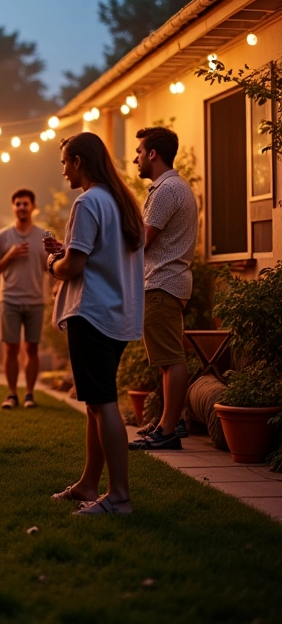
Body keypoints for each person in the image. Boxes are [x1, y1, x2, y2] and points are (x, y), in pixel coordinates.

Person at [45, 132, 144, 515]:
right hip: (117, 313)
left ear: (79, 162)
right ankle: (89, 483)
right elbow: (98, 255)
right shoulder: (121, 201)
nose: (64, 170)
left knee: (103, 404)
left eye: (65, 162)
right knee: (94, 403)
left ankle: (119, 496)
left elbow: (73, 266)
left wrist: (53, 264)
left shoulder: (88, 202)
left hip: (93, 314)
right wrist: (65, 252)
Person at [129, 126, 198, 451]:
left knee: (171, 360)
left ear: (153, 154)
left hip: (162, 283)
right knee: (168, 360)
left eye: (140, 152)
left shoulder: (167, 190)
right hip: (166, 283)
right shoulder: (172, 187)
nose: (136, 158)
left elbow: (142, 241)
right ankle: (166, 425)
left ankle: (168, 431)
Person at [0, 189, 49, 409]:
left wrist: (57, 288)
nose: (22, 207)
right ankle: (12, 393)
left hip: (35, 300)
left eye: (25, 204)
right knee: (10, 349)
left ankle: (30, 394)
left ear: (33, 207)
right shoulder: (3, 236)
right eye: (18, 204)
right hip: (10, 300)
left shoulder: (43, 236)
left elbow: (51, 268)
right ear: (13, 207)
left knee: (32, 348)